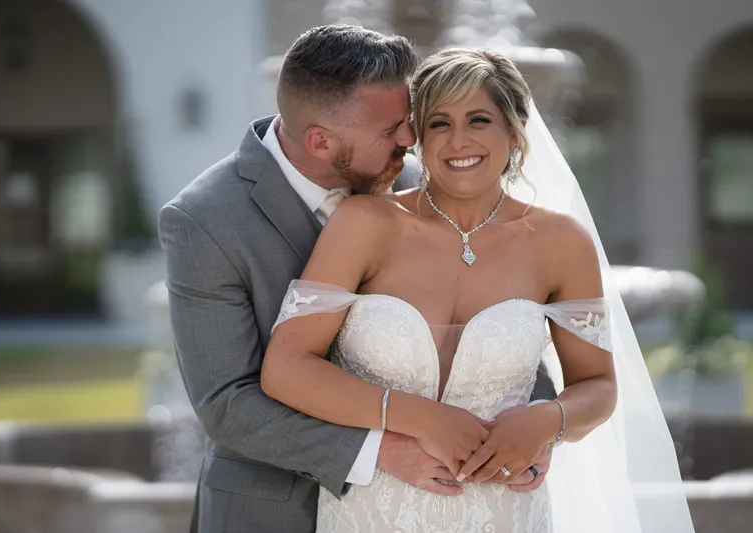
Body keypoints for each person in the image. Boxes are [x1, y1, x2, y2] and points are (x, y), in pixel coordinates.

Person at [261, 48, 696, 532]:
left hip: (506, 510)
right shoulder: (364, 223)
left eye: (479, 119)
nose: (458, 140)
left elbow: (597, 387)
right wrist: (422, 418)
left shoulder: (560, 242)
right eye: (439, 123)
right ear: (418, 139)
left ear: (513, 130)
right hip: (372, 510)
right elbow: (285, 369)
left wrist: (544, 421)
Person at [159, 26, 556, 533]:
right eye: (391, 130)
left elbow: (498, 314)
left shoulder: (421, 184)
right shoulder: (204, 220)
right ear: (321, 141)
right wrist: (384, 452)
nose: (411, 142)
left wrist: (535, 421)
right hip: (274, 513)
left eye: (409, 121)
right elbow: (226, 403)